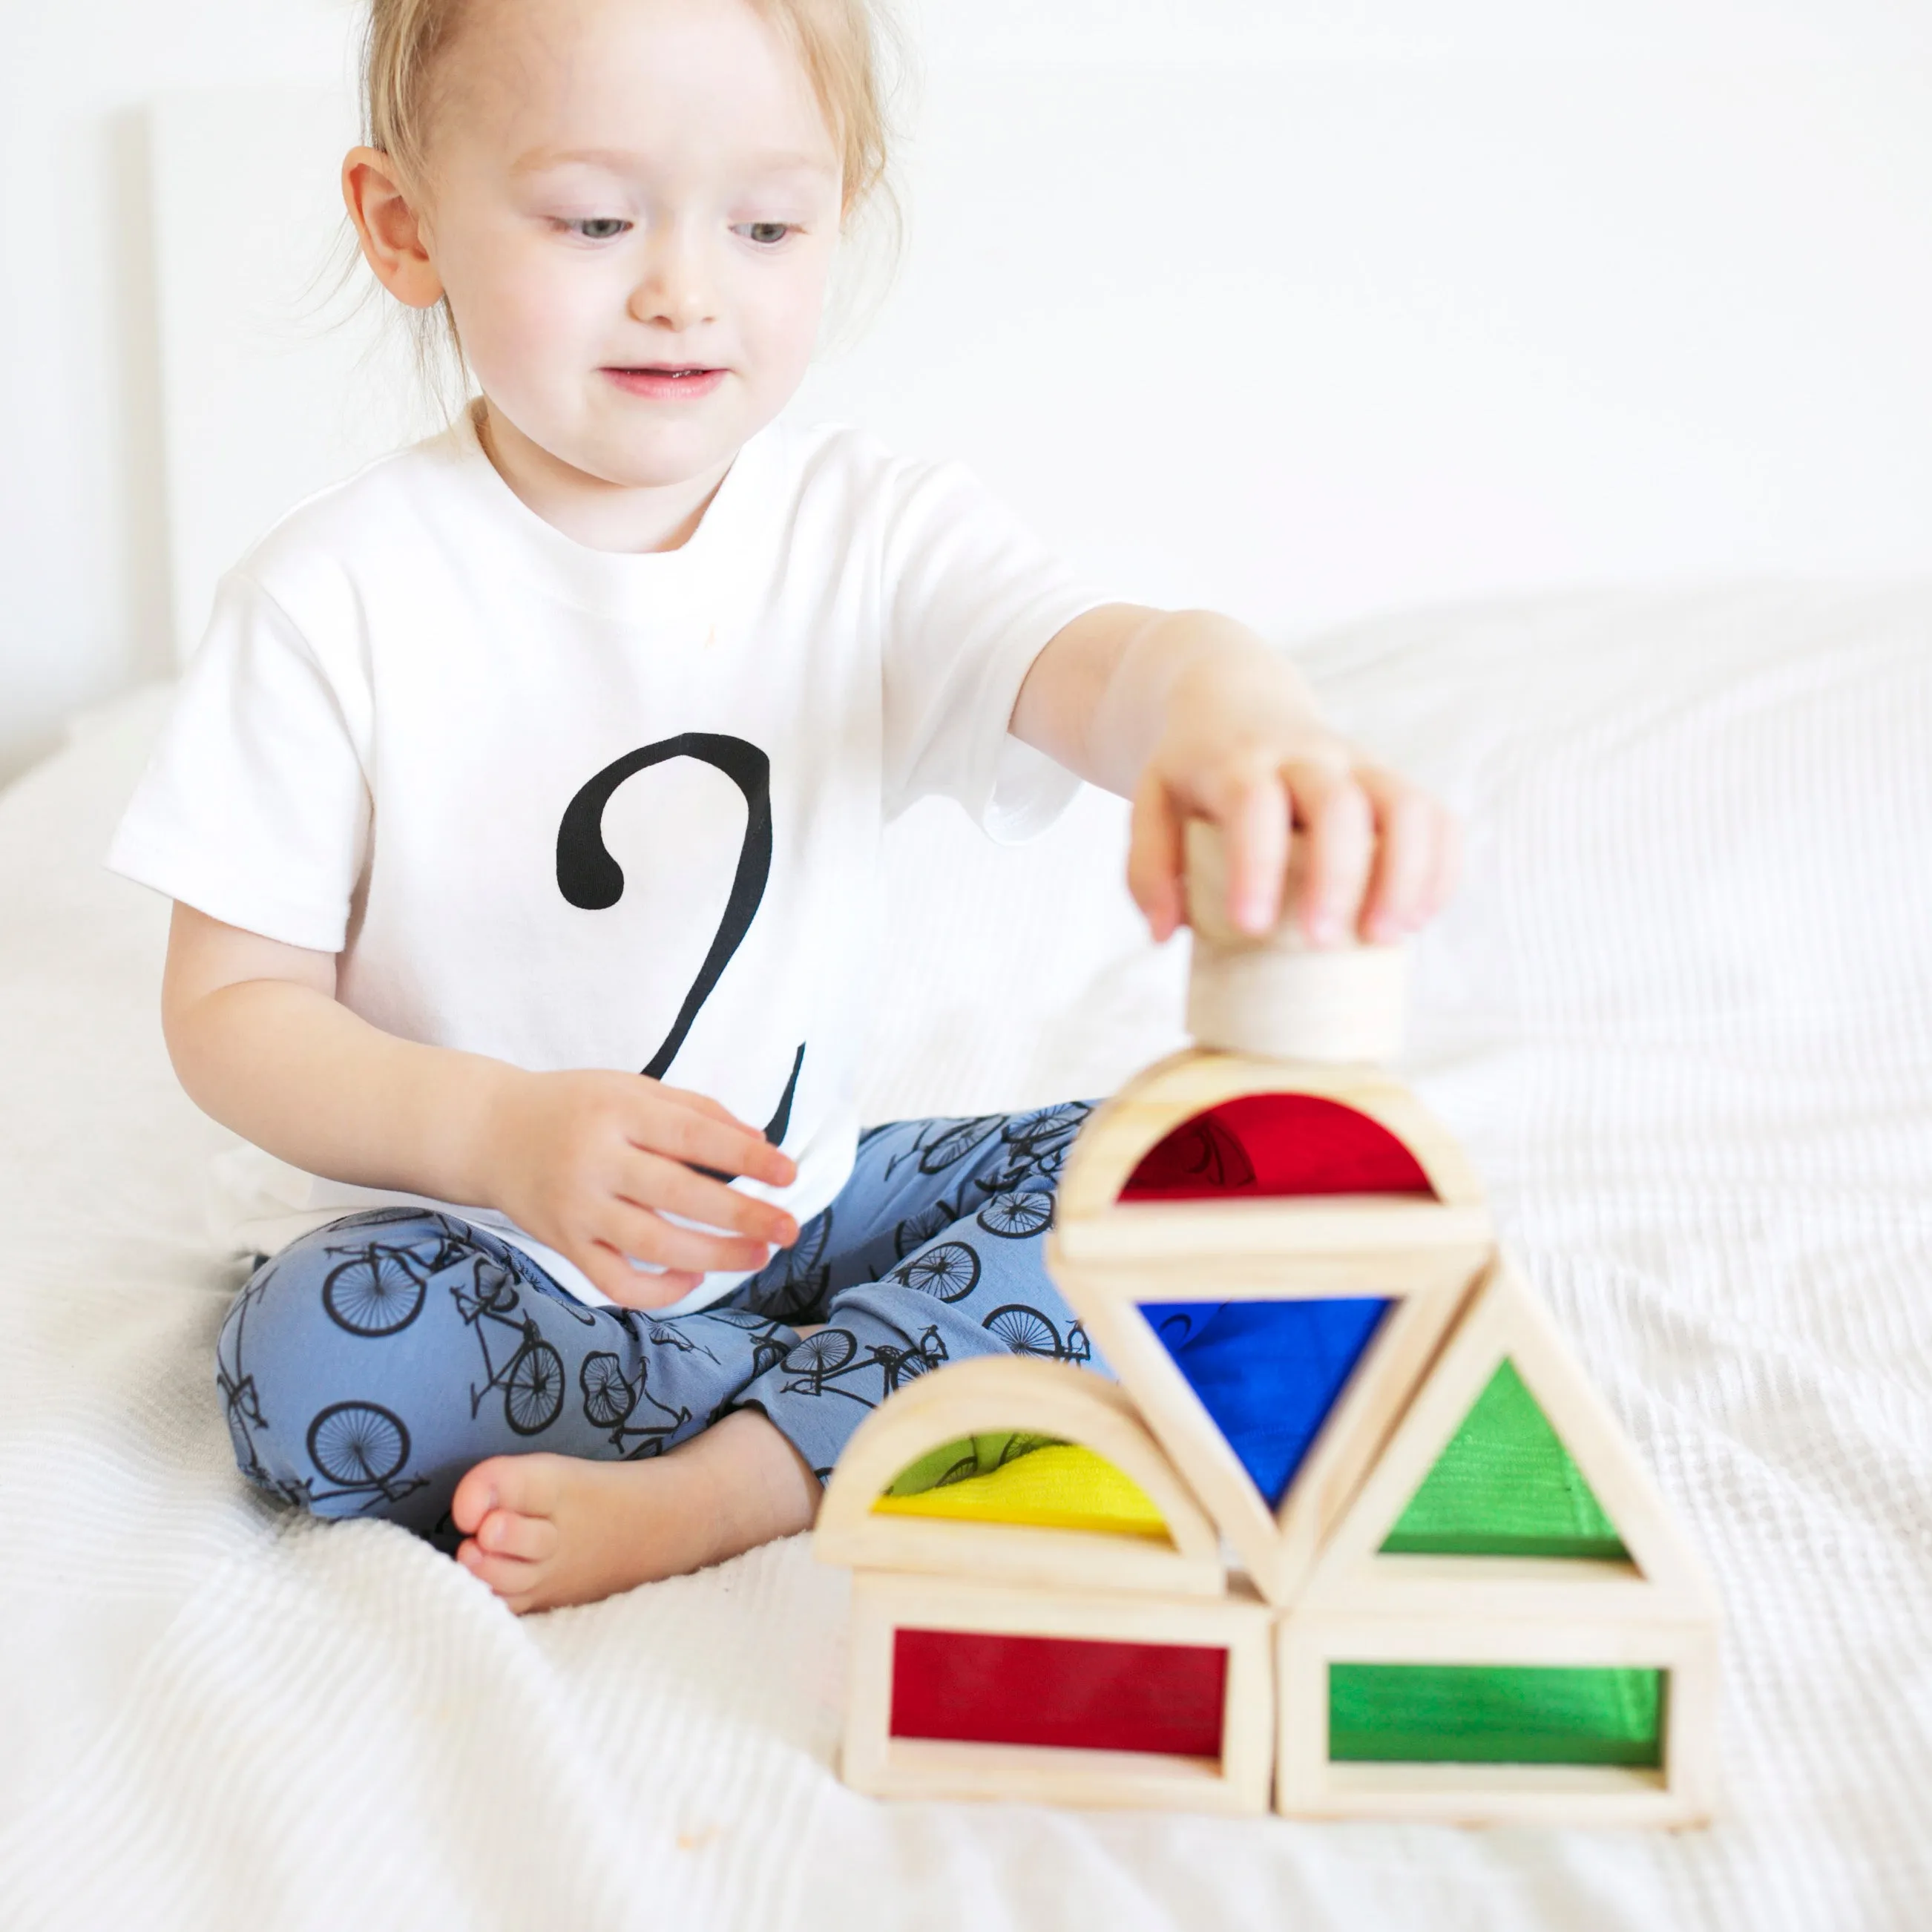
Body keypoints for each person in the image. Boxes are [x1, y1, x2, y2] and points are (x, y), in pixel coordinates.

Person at [108, 0, 1459, 1614]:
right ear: (409, 228)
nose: (685, 287)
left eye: (764, 224)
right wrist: (498, 1132)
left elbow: (1110, 666)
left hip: (810, 1217)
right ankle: (882, 1405)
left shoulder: (870, 535)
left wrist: (1243, 726)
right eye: (597, 219)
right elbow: (233, 1011)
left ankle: (730, 1477)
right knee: (306, 1358)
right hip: (495, 1266)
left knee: (1216, 1166)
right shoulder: (334, 600)